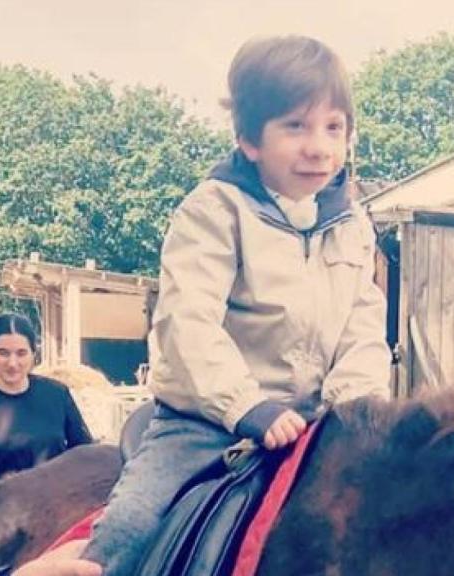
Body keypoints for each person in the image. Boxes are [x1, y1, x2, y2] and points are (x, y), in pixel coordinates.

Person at [78, 35, 392, 575]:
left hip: (315, 419)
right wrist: (247, 406)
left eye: (333, 127)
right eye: (295, 126)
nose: (318, 146)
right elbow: (188, 323)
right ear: (249, 139)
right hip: (207, 422)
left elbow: (363, 327)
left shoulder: (352, 224)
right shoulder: (214, 211)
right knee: (130, 530)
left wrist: (357, 410)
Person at [0, 313, 92, 487]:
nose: (12, 363)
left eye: (21, 353)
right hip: (2, 505)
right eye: (3, 353)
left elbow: (84, 451)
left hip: (59, 498)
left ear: (33, 353)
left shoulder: (57, 394)